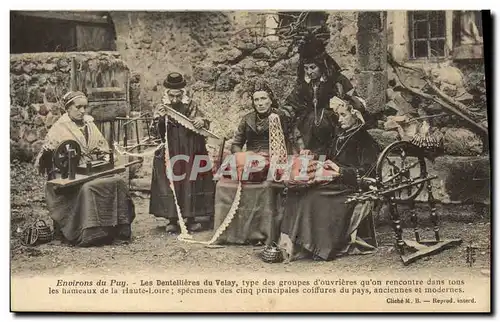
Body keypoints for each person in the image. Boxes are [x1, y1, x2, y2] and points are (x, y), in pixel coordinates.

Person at [279, 97, 380, 261]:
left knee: (312, 197)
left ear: (355, 115)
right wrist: (312, 155)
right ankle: (292, 243)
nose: (339, 120)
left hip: (350, 185)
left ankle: (314, 246)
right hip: (333, 180)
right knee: (296, 191)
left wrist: (340, 171)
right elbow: (331, 157)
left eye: (343, 115)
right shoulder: (341, 136)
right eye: (338, 115)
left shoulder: (365, 139)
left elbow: (369, 172)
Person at [35, 91, 136, 247]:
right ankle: (90, 233)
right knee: (88, 188)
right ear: (68, 108)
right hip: (70, 175)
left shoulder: (90, 124)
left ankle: (118, 229)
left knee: (118, 182)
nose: (82, 111)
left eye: (85, 107)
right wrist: (63, 163)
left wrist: (102, 158)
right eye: (78, 107)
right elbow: (48, 161)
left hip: (92, 170)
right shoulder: (59, 128)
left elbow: (102, 147)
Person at [149, 72, 215, 233]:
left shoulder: (191, 104)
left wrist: (202, 121)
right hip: (169, 149)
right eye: (171, 96)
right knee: (169, 181)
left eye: (178, 96)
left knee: (190, 181)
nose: (174, 100)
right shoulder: (162, 105)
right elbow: (153, 132)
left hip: (190, 148)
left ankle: (191, 218)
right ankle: (172, 218)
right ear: (167, 93)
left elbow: (204, 122)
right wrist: (158, 119)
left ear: (182, 92)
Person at [280, 34, 366, 156]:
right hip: (308, 132)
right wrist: (282, 112)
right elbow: (292, 102)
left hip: (333, 129)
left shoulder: (337, 80)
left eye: (312, 67)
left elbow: (356, 102)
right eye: (306, 68)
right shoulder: (303, 84)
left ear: (321, 66)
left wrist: (345, 103)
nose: (309, 72)